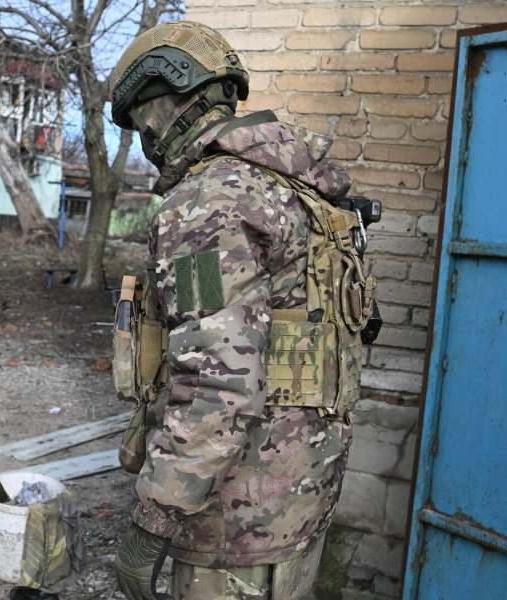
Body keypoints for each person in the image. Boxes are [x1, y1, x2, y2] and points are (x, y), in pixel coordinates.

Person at [107, 21, 376, 600]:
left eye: (139, 120)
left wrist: (152, 521)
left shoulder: (211, 201)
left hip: (234, 527)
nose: (144, 140)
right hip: (300, 496)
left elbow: (217, 381)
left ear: (166, 100)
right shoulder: (298, 189)